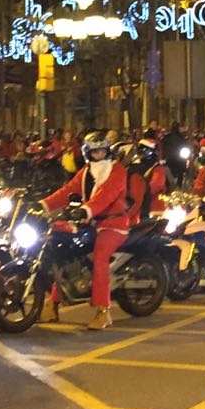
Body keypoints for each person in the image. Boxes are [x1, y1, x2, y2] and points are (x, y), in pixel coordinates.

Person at [42, 130, 129, 330]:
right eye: (94, 152)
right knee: (63, 250)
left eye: (101, 151)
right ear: (87, 153)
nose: (98, 155)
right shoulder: (86, 172)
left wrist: (85, 210)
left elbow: (106, 195)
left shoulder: (117, 170)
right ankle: (53, 302)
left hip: (113, 224)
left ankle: (103, 310)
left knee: (100, 255)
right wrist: (43, 205)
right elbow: (66, 191)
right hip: (89, 222)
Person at [123, 138, 170, 222]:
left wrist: (141, 189)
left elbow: (156, 185)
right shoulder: (138, 167)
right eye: (140, 151)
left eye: (145, 151)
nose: (142, 154)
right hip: (142, 206)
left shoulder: (157, 168)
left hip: (154, 208)